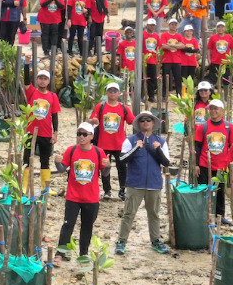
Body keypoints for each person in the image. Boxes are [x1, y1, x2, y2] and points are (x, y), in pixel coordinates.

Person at [114, 110, 172, 254]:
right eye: (142, 120)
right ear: (138, 124)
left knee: (154, 214)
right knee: (129, 213)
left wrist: (157, 149)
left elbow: (166, 163)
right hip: (135, 183)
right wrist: (136, 148)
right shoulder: (130, 140)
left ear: (153, 123)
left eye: (148, 120)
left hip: (154, 183)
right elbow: (121, 160)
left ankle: (156, 241)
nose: (145, 122)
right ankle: (121, 242)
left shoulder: (161, 142)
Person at [57, 121, 103, 263]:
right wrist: (56, 162)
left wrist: (107, 166)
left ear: (91, 136)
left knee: (87, 227)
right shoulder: (71, 150)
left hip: (91, 198)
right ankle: (60, 254)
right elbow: (61, 169)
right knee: (67, 225)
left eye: (84, 134)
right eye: (79, 134)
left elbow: (105, 172)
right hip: (73, 196)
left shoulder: (98, 152)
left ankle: (83, 253)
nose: (81, 137)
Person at [89, 82, 133, 199]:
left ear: (119, 93)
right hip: (104, 143)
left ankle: (122, 190)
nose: (112, 93)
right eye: (110, 91)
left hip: (120, 144)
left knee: (122, 168)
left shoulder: (124, 108)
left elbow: (132, 121)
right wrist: (92, 120)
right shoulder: (100, 106)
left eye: (115, 91)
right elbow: (92, 119)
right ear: (106, 92)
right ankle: (107, 190)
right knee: (104, 168)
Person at [195, 99, 233, 224]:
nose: (213, 111)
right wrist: (196, 164)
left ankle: (220, 216)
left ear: (222, 111)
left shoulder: (229, 127)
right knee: (203, 190)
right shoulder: (203, 126)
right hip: (204, 164)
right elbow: (197, 146)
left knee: (220, 192)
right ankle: (203, 215)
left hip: (222, 166)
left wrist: (232, 165)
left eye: (216, 109)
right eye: (211, 108)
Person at [25, 67, 62, 192]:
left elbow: (55, 115)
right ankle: (25, 186)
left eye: (45, 79)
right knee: (27, 159)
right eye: (40, 78)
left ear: (49, 82)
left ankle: (45, 188)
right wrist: (28, 64)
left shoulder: (53, 96)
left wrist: (55, 133)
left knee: (45, 160)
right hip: (30, 132)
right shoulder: (31, 92)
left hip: (46, 133)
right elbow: (25, 81)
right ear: (36, 80)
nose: (42, 81)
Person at [207, 21, 233, 87]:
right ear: (216, 28)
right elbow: (209, 49)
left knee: (226, 80)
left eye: (222, 27)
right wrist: (209, 60)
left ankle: (226, 95)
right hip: (215, 61)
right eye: (219, 27)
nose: (220, 29)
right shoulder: (213, 37)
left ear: (225, 28)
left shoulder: (229, 37)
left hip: (226, 62)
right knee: (212, 80)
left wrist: (232, 59)